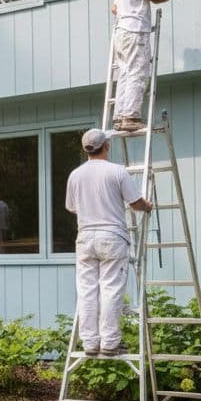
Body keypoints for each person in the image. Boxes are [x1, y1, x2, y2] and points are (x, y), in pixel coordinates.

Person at [64, 128, 152, 356]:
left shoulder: (75, 174)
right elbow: (135, 203)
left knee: (86, 290)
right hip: (112, 237)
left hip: (84, 237)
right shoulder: (117, 171)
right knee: (111, 288)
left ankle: (90, 343)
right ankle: (110, 343)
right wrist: (148, 206)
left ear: (86, 150)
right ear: (106, 146)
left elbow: (72, 207)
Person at [111, 0, 183, 132]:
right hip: (135, 31)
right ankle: (130, 117)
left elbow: (114, 8)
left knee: (126, 73)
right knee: (138, 72)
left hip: (122, 33)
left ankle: (120, 117)